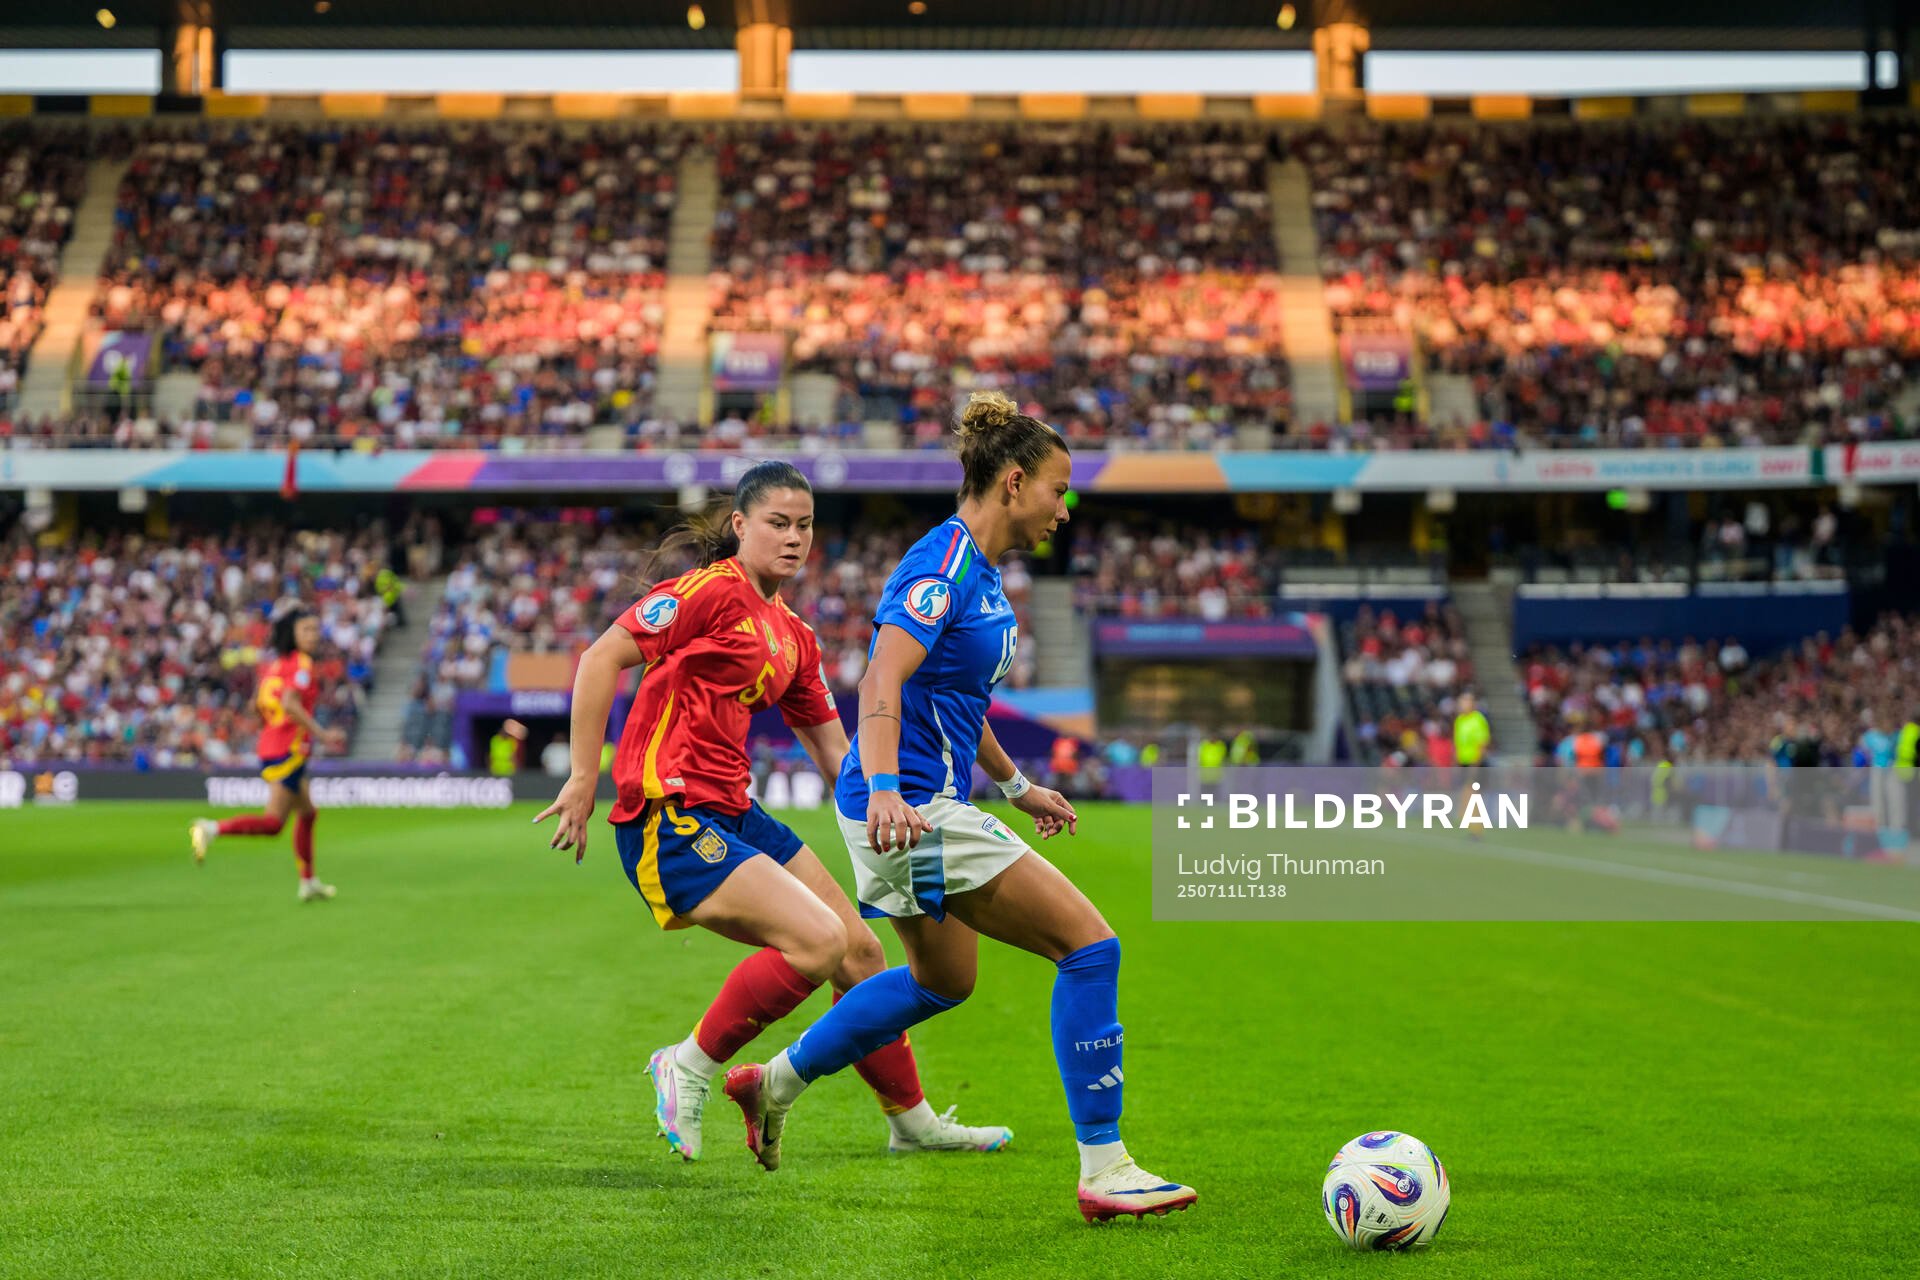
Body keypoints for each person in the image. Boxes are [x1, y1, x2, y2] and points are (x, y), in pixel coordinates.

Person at [721, 392, 1198, 1223]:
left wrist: (1016, 785)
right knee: (1090, 949)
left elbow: (955, 698)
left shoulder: (975, 572)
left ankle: (774, 1081)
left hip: (905, 803)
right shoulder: (941, 568)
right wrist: (887, 793)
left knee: (944, 980)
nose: (1065, 508)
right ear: (1013, 482)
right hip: (909, 806)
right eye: (1060, 489)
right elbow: (881, 679)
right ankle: (1106, 1166)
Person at [534, 460, 1007, 1163]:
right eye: (778, 523)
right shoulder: (707, 592)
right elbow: (602, 657)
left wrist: (878, 808)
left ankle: (910, 1121)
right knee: (816, 942)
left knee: (860, 952)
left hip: (733, 811)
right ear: (740, 526)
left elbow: (832, 750)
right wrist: (581, 775)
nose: (794, 538)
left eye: (805, 525)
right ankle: (688, 1063)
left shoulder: (794, 635)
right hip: (670, 813)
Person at [190, 607, 344, 902]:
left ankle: (308, 881)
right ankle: (210, 829)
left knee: (309, 813)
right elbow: (289, 703)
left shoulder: (276, 666)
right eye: (306, 630)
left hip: (273, 747)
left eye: (315, 629)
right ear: (292, 634)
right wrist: (322, 734)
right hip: (288, 752)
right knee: (274, 824)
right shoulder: (302, 664)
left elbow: (257, 706)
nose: (313, 635)